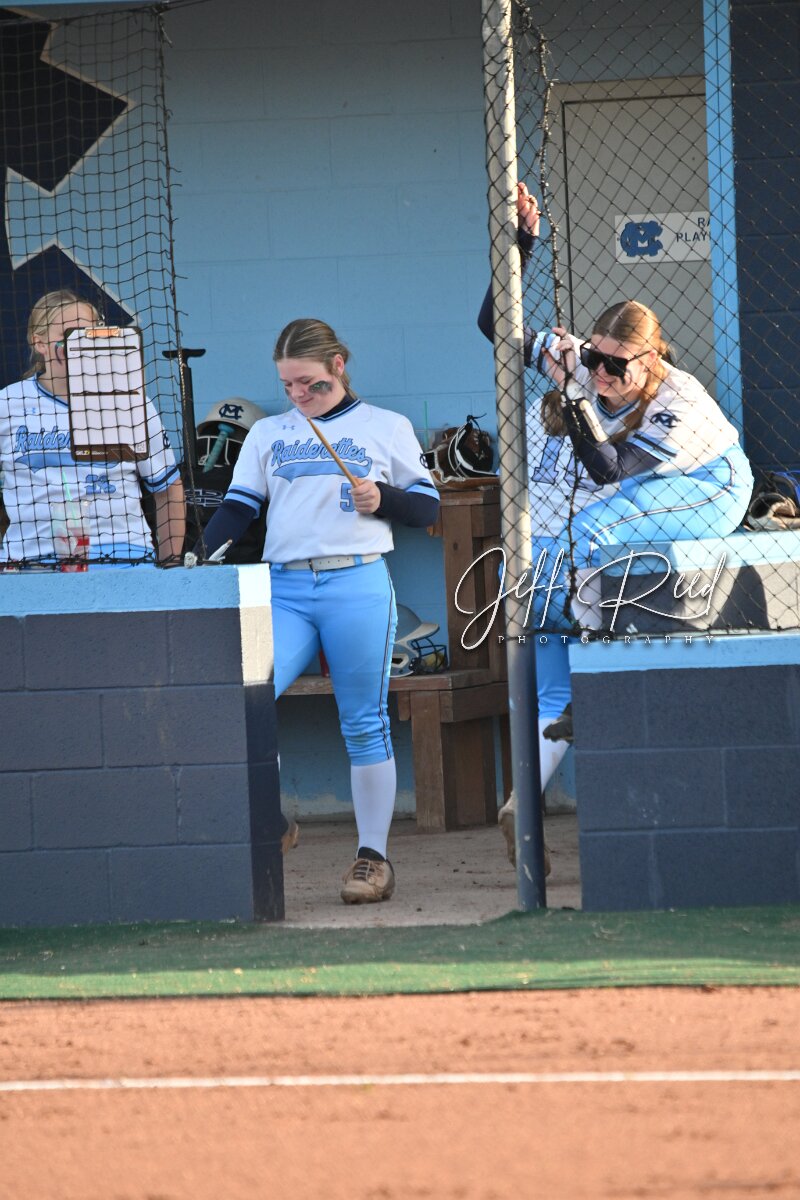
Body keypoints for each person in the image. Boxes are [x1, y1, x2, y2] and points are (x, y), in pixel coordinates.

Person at [480, 182, 754, 860]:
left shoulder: (679, 401)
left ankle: (593, 667)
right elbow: (496, 327)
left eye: (615, 364)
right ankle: (524, 803)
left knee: (595, 532)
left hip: (708, 485)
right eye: (593, 357)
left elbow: (609, 469)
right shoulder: (587, 362)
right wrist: (520, 248)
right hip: (617, 492)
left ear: (651, 360)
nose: (599, 371)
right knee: (545, 586)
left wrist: (575, 407)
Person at [194, 317, 439, 905]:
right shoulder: (269, 433)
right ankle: (271, 821)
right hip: (284, 588)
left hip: (357, 580)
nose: (299, 395)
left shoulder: (385, 426)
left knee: (363, 721)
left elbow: (427, 506)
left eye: (311, 383)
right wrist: (195, 556)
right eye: (288, 386)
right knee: (243, 699)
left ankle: (372, 858)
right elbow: (238, 508)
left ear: (339, 366)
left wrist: (384, 498)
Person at [0, 290, 185, 566]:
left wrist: (171, 567)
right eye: (70, 334)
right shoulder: (8, 403)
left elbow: (168, 489)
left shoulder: (129, 399)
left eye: (89, 332)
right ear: (39, 343)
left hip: (124, 558)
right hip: (32, 561)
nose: (82, 342)